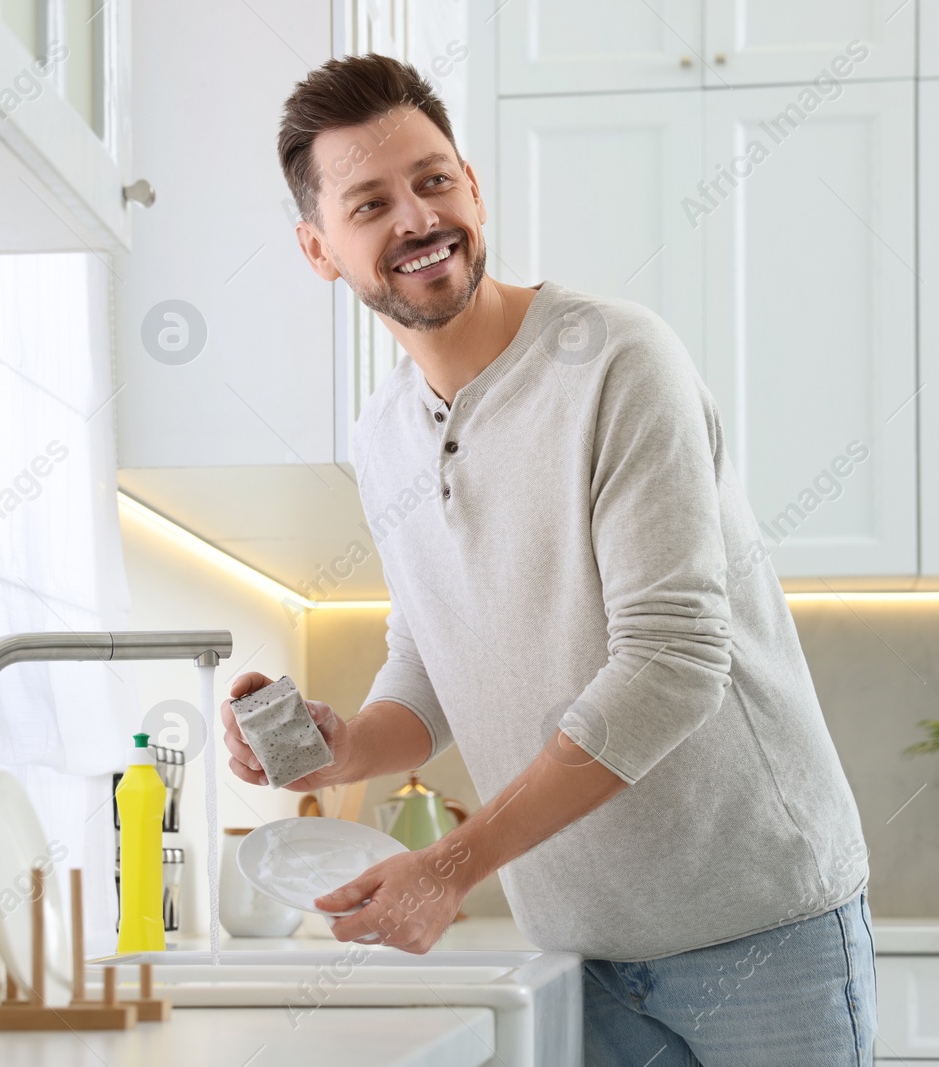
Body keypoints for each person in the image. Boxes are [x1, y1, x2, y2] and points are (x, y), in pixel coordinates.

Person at [221, 53, 876, 1067]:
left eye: (434, 180)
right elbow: (430, 659)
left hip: (761, 927)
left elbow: (670, 667)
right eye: (370, 203)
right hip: (579, 945)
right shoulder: (383, 433)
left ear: (473, 185)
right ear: (319, 249)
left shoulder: (618, 360)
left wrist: (450, 864)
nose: (417, 219)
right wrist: (343, 745)